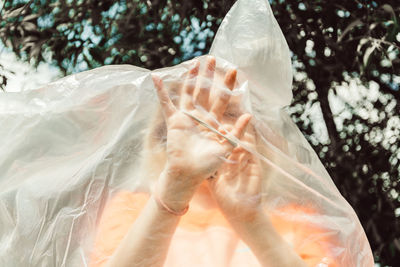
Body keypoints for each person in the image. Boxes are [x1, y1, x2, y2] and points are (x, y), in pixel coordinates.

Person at [88, 56, 325, 267]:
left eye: (230, 113)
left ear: (257, 131)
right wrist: (175, 188)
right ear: (166, 134)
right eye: (194, 115)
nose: (212, 127)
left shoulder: (296, 222)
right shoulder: (134, 211)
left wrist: (252, 222)